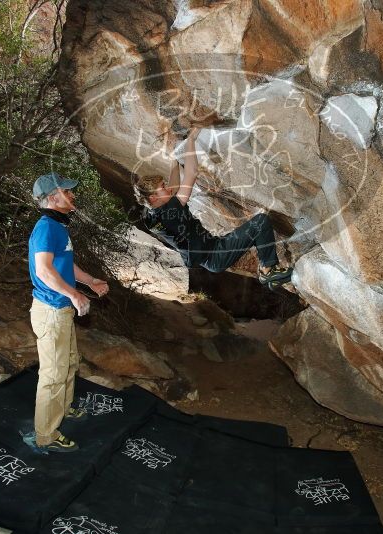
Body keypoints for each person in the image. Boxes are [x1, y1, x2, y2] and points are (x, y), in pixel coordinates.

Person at [133, 128, 292, 286]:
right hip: (216, 254)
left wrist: (175, 158)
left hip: (214, 249)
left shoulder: (152, 215)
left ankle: (267, 267)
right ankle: (268, 271)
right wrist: (190, 141)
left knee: (254, 231)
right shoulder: (170, 213)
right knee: (260, 222)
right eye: (162, 187)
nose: (167, 187)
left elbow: (173, 187)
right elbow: (191, 173)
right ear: (153, 197)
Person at [27, 172, 109, 453]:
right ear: (53, 198)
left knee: (70, 363)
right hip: (51, 310)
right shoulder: (46, 227)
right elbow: (43, 271)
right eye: (67, 191)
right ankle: (46, 435)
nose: (72, 195)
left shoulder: (58, 227)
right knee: (52, 374)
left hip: (60, 310)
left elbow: (64, 265)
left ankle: (63, 409)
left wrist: (89, 281)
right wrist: (74, 294)